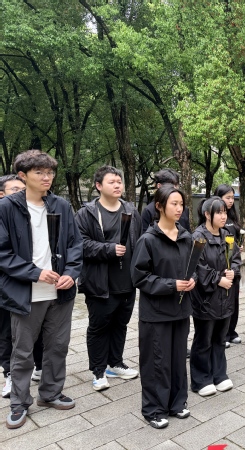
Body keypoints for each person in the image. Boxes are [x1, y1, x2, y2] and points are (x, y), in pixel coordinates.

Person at [0, 150, 83, 429]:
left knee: (58, 346)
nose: (47, 177)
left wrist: (71, 273)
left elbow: (74, 244)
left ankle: (50, 393)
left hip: (60, 292)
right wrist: (35, 273)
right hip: (26, 293)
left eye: (50, 172)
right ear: (23, 176)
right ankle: (19, 402)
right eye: (39, 172)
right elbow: (3, 253)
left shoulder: (61, 205)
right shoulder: (7, 208)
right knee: (23, 352)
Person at [131, 185, 196, 429]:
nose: (179, 209)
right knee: (156, 362)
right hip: (156, 312)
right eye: (174, 204)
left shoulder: (186, 237)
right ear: (159, 206)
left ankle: (177, 402)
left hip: (181, 310)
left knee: (178, 359)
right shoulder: (148, 240)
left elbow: (193, 268)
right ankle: (154, 409)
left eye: (181, 204)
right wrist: (172, 285)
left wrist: (192, 280)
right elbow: (139, 277)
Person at [75, 166, 142, 392]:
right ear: (98, 186)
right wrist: (108, 249)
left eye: (119, 182)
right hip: (100, 283)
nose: (117, 185)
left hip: (127, 282)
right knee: (98, 327)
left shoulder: (131, 210)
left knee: (120, 324)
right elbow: (80, 244)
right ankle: (98, 370)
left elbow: (141, 240)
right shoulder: (87, 213)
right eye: (112, 182)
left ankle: (115, 363)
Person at [190, 197, 241, 396]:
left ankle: (219, 374)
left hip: (225, 297)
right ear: (207, 215)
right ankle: (201, 379)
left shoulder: (227, 235)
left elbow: (235, 258)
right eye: (218, 212)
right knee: (204, 339)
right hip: (206, 299)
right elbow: (197, 266)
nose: (223, 216)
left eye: (224, 212)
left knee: (220, 338)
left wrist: (233, 271)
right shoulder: (198, 237)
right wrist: (218, 279)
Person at [0, 175, 45, 399]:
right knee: (7, 333)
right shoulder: (4, 214)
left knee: (36, 332)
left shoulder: (35, 212)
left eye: (22, 189)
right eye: (15, 189)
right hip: (8, 286)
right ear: (2, 194)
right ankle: (10, 374)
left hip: (34, 284)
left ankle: (39, 367)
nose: (21, 193)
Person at [214, 184, 242, 347]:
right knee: (222, 301)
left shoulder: (232, 217)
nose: (231, 201)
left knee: (234, 300)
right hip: (221, 265)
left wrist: (238, 248)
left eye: (232, 198)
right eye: (228, 197)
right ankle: (222, 334)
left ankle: (232, 331)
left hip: (233, 265)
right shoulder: (215, 219)